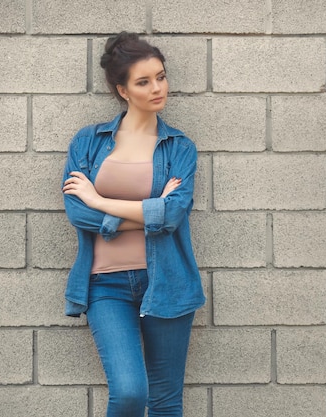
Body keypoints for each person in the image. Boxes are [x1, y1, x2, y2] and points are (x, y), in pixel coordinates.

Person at [61, 32, 205, 417]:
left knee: (165, 401)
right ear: (122, 90)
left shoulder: (180, 147)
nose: (157, 88)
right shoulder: (89, 142)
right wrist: (149, 213)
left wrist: (100, 201)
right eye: (144, 82)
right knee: (128, 393)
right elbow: (79, 214)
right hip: (105, 285)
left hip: (168, 282)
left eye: (161, 76)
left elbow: (174, 215)